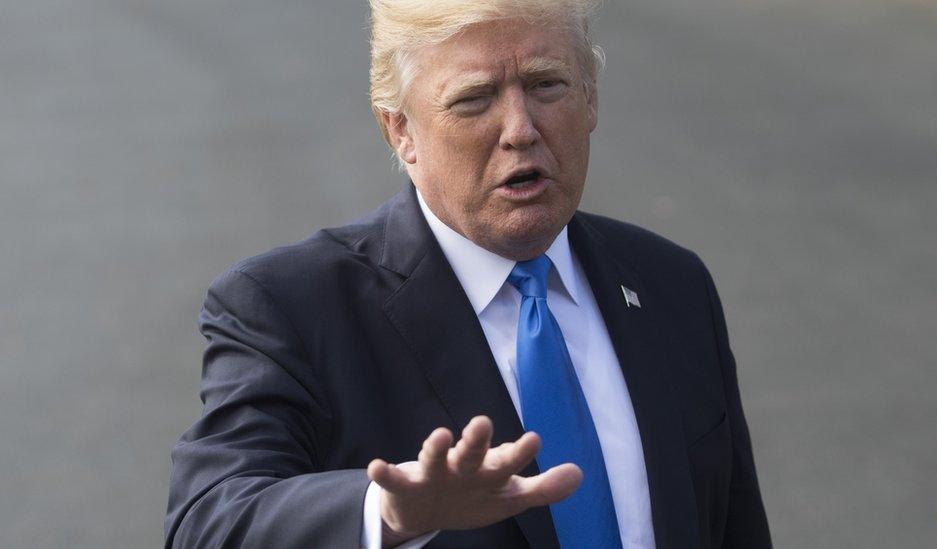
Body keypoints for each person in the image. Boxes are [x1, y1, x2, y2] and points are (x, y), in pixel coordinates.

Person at [165, 0, 772, 547]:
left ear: (591, 98)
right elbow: (209, 521)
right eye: (474, 99)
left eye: (546, 84)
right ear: (400, 129)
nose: (520, 129)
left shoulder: (672, 283)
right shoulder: (292, 306)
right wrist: (389, 512)